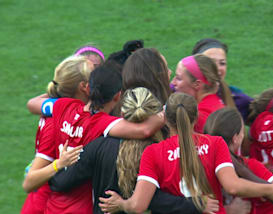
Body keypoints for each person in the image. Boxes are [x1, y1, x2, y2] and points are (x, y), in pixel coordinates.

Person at [98, 92, 273, 214]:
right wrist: (269, 189)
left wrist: (121, 204)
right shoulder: (215, 144)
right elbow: (233, 187)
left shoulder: (153, 153)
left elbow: (138, 205)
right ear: (196, 117)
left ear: (165, 119)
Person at [49, 87, 217, 214]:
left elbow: (60, 182)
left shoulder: (99, 146)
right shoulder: (161, 150)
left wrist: (61, 163)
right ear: (158, 112)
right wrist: (196, 205)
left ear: (123, 113)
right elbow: (154, 199)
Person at [26, 62, 165, 214]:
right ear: (117, 96)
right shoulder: (102, 124)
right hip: (81, 208)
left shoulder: (63, 106)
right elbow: (144, 130)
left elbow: (33, 104)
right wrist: (168, 111)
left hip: (53, 206)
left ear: (88, 88)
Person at [21, 55, 93, 214]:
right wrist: (58, 164)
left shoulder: (60, 111)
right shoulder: (55, 122)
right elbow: (29, 182)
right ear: (83, 87)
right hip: (44, 205)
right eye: (93, 75)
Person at [192, 38, 254, 121]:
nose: (217, 68)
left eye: (222, 63)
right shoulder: (178, 91)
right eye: (210, 62)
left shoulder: (238, 99)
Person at [171, 54, 231, 133]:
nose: (173, 82)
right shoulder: (216, 103)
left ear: (197, 84)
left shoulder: (198, 118)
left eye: (178, 78)